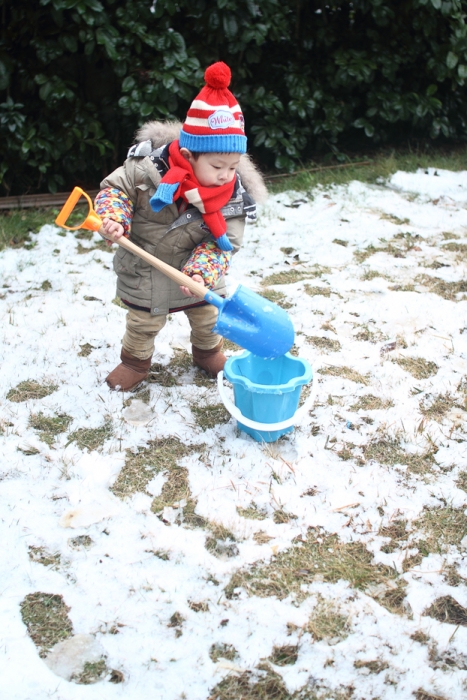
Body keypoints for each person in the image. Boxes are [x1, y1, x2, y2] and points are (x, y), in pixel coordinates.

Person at [95, 61, 267, 391]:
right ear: (188, 155)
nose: (226, 175)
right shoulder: (145, 170)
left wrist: (201, 272)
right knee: (143, 322)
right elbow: (115, 189)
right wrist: (114, 217)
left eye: (233, 167)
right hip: (147, 268)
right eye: (217, 166)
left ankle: (207, 353)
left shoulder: (232, 196)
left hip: (198, 274)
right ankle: (134, 362)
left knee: (208, 317)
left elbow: (225, 243)